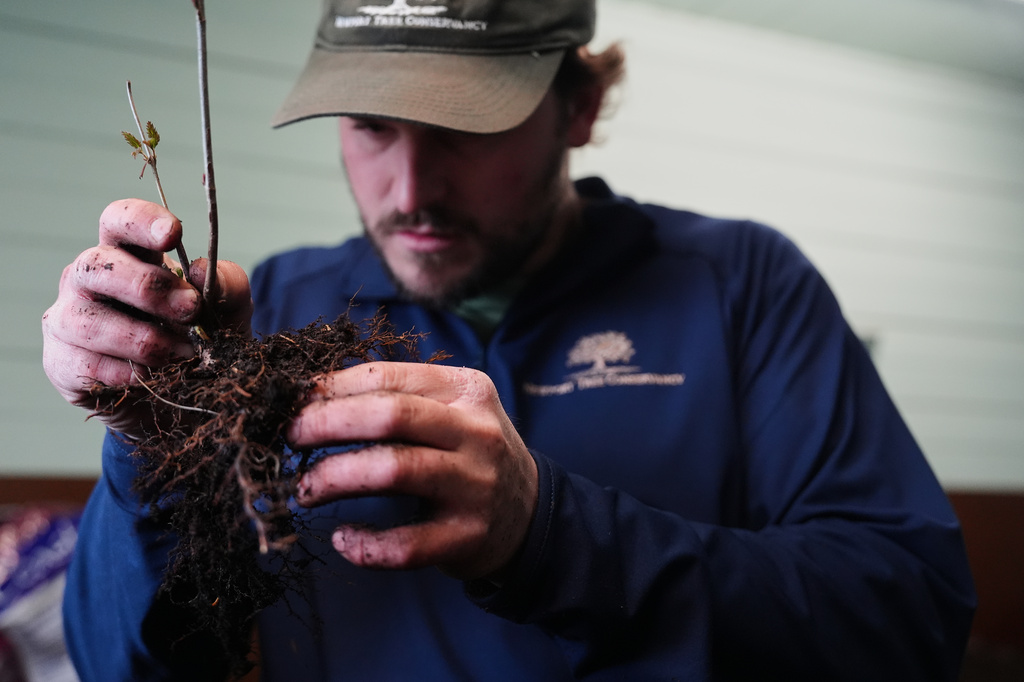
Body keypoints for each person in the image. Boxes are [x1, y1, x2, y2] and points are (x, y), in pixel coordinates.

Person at [42, 0, 976, 680]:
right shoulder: (278, 304)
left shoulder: (743, 286)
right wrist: (155, 442)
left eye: (461, 126)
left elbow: (908, 620)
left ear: (579, 106)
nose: (410, 189)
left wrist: (554, 538)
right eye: (370, 126)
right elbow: (128, 665)